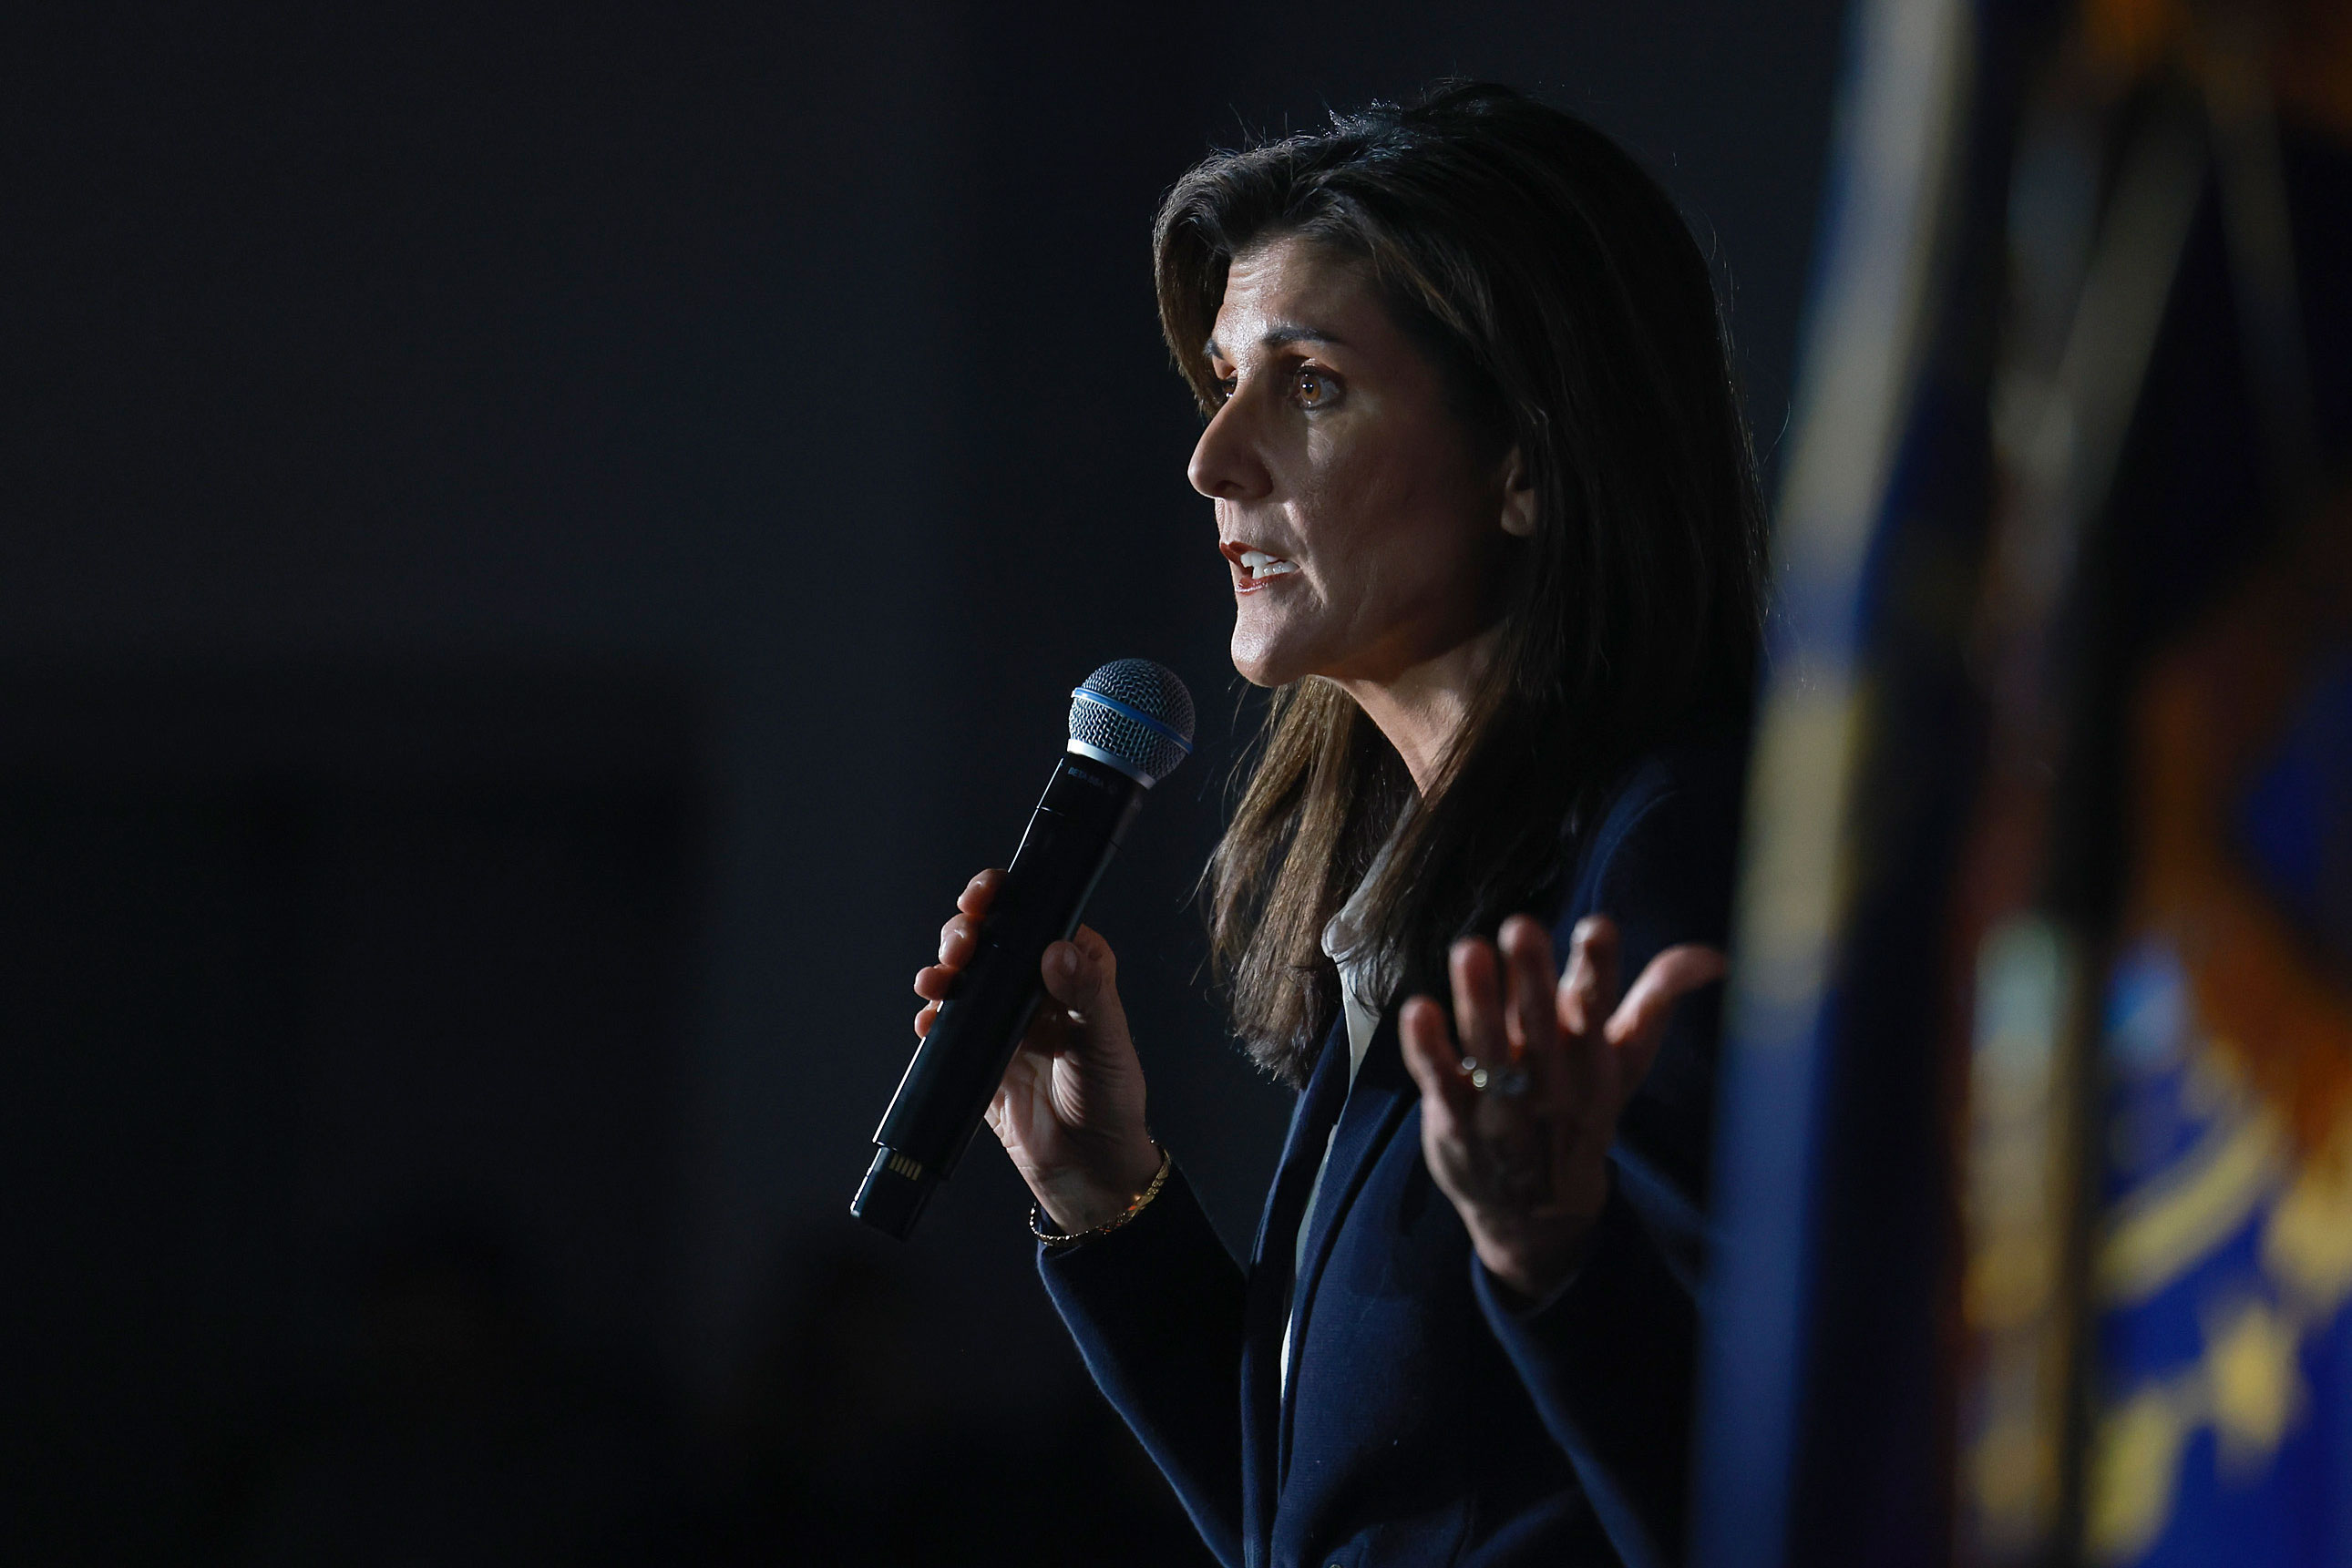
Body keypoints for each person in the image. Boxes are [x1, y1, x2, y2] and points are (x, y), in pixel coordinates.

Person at [911, 83, 1763, 1568]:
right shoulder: (1428, 886)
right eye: (1221, 382)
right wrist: (1109, 1205)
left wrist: (1560, 1267)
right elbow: (1352, 1523)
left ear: (1527, 461)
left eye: (1305, 385)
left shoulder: (1668, 863)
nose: (1212, 458)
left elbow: (1788, 1501)